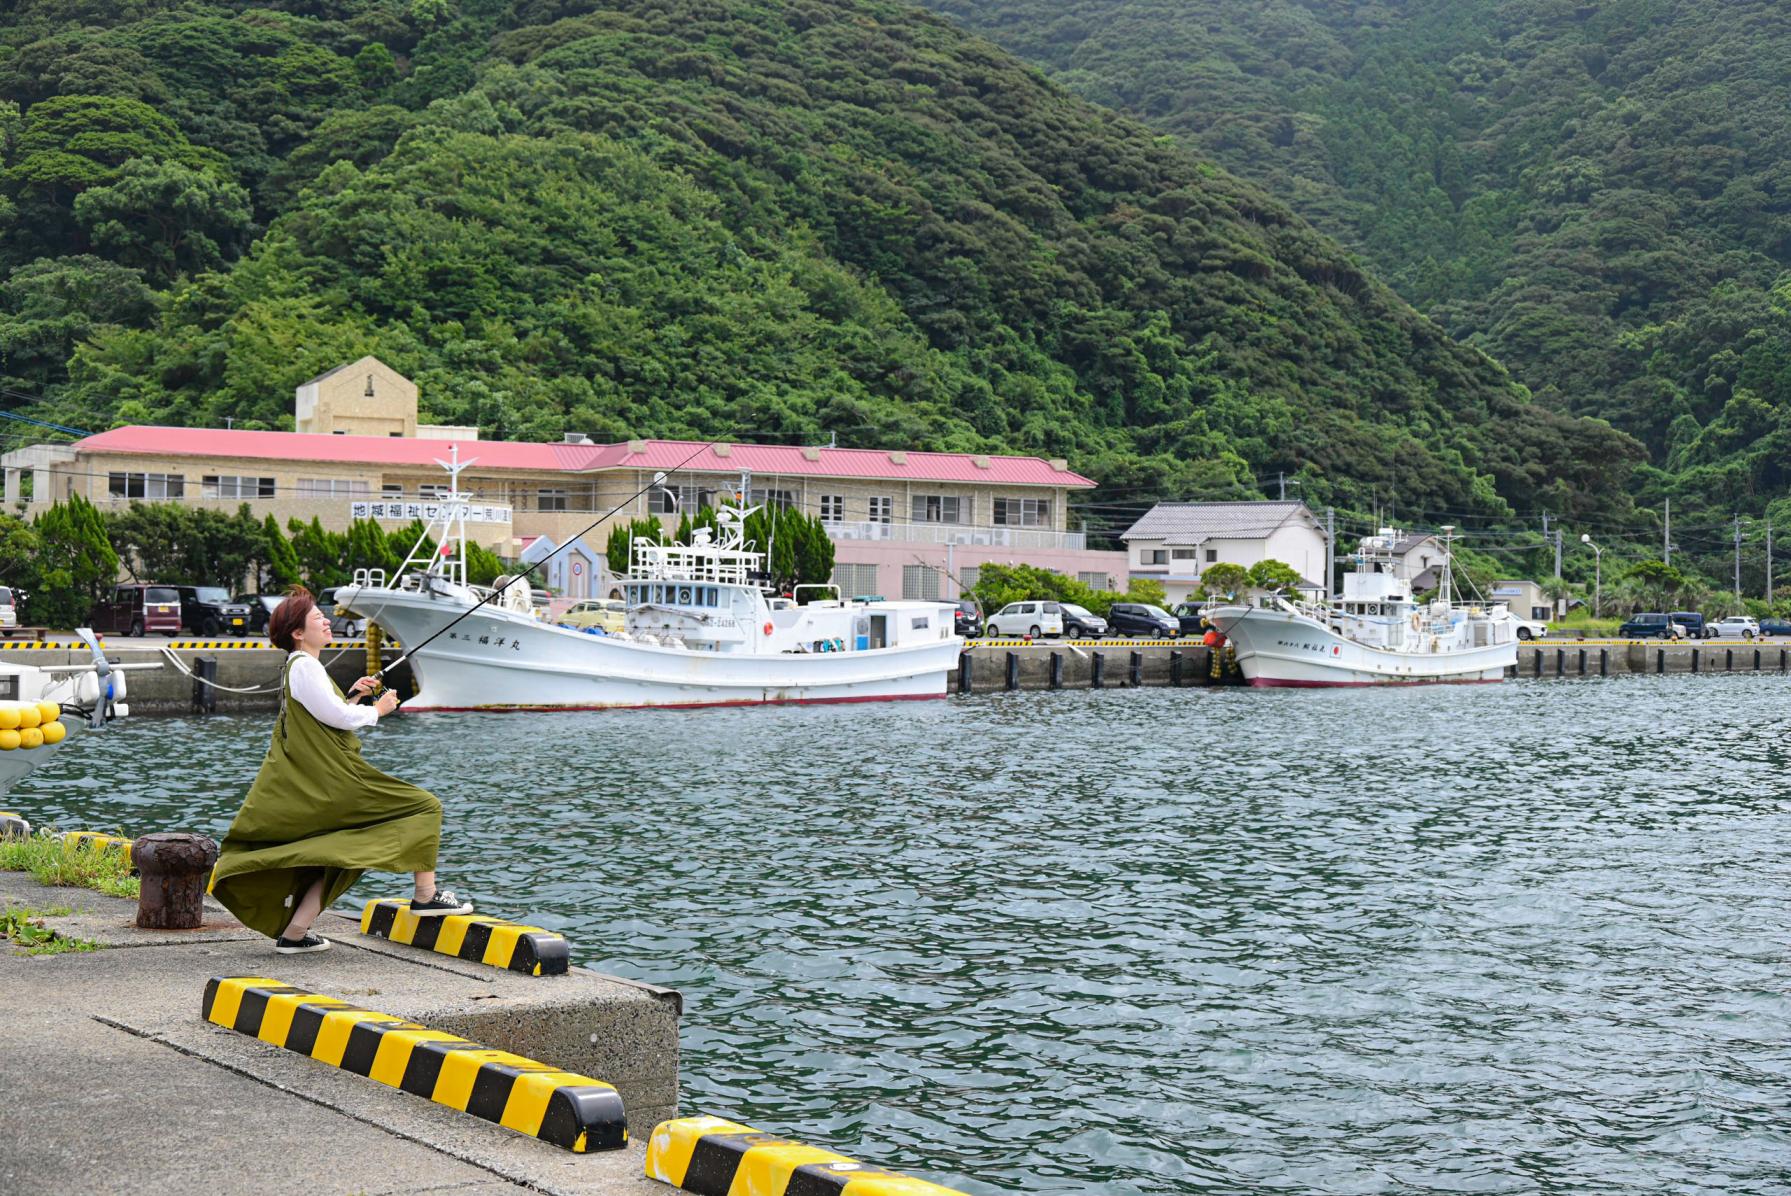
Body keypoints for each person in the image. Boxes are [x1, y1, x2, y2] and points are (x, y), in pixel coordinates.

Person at [211, 587, 471, 954]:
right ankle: (425, 895)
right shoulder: (305, 666)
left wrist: (354, 696)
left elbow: (329, 716)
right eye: (318, 618)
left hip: (319, 779)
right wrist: (377, 710)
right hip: (332, 779)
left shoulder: (300, 668)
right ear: (298, 633)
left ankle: (295, 932)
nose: (327, 621)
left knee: (342, 852)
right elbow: (337, 718)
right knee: (424, 806)